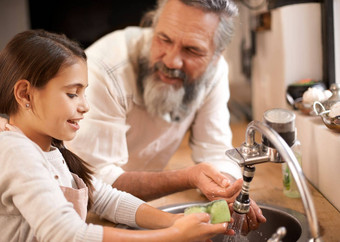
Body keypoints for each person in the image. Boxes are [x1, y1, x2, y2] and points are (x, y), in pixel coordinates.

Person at [0, 29, 234, 241]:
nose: (85, 106)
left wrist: (174, 221)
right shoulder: (16, 152)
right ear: (25, 94)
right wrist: (173, 235)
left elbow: (105, 198)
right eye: (72, 94)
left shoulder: (50, 150)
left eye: (84, 93)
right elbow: (68, 235)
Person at [64, 0, 266, 230]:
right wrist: (187, 177)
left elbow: (214, 150)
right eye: (164, 39)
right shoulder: (102, 71)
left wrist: (227, 190)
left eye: (192, 50)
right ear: (153, 25)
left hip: (139, 207)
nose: (171, 60)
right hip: (83, 216)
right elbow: (94, 183)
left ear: (216, 55)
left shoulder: (214, 72)